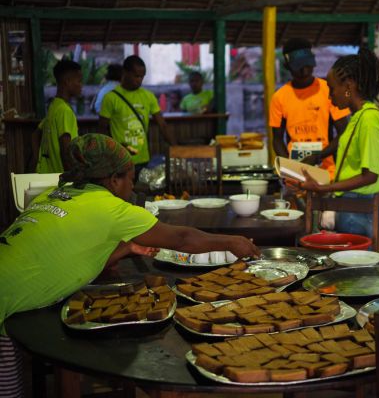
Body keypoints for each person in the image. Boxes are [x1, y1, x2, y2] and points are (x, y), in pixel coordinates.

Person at [0, 133, 259, 395]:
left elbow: (70, 255)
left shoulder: (56, 193)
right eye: (130, 179)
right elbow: (182, 239)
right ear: (114, 180)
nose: (131, 188)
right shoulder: (111, 208)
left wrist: (124, 249)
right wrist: (231, 242)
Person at [294, 49, 379, 239]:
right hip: (351, 204)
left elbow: (370, 176)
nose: (330, 96)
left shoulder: (369, 119)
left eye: (331, 88)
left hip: (360, 207)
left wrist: (324, 188)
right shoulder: (358, 117)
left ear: (348, 85)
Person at [269, 38, 350, 179]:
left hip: (327, 173)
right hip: (295, 175)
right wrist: (290, 169)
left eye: (307, 65)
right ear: (287, 66)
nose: (304, 71)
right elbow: (277, 139)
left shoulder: (329, 90)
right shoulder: (279, 97)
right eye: (299, 66)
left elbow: (344, 132)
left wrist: (319, 156)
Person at [98, 55, 175, 176]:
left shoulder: (148, 96)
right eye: (136, 76)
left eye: (142, 77)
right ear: (125, 73)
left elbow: (163, 125)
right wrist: (113, 149)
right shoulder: (110, 98)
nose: (139, 80)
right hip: (119, 159)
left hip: (143, 159)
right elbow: (102, 130)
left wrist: (176, 148)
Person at [32, 59, 82, 173]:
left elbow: (35, 135)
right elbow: (66, 150)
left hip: (47, 175)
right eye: (79, 81)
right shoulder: (65, 111)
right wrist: (71, 178)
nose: (81, 85)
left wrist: (39, 161)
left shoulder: (54, 106)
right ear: (68, 81)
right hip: (61, 178)